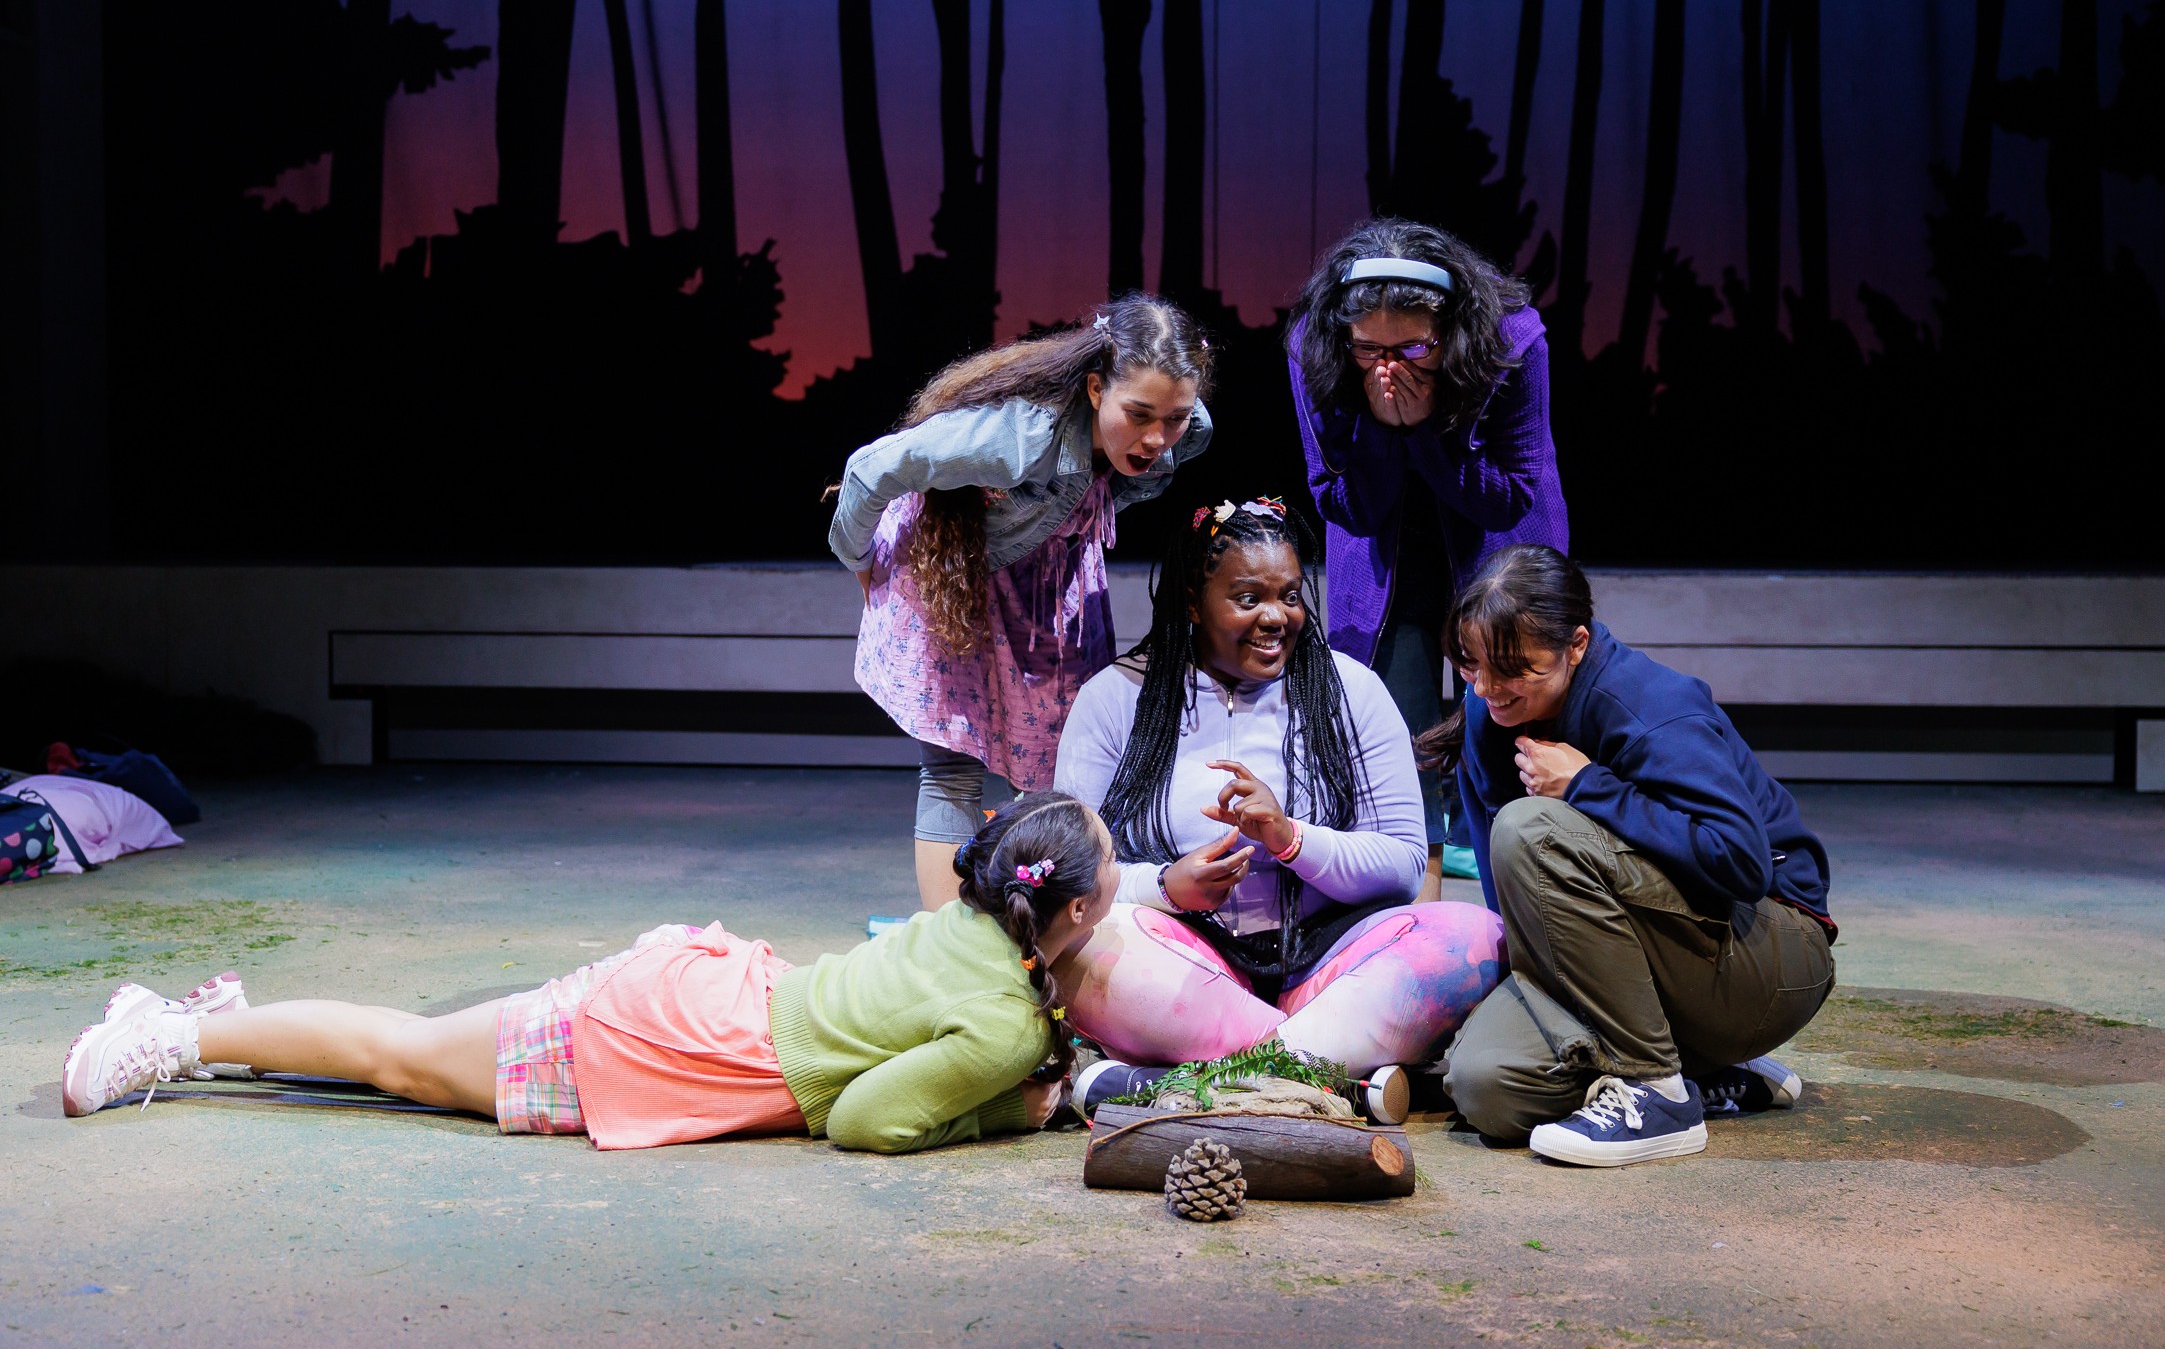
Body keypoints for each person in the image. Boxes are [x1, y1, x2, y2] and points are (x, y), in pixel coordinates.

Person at [61, 793, 1117, 1154]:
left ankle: (240, 1028)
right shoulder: (1010, 1021)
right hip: (678, 1045)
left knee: (424, 1060)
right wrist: (999, 1118)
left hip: (705, 994)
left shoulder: (963, 924)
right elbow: (863, 1123)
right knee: (408, 1062)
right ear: (1070, 914)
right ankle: (165, 1037)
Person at [1052, 498, 1504, 1117]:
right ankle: (1325, 1072)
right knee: (1085, 941)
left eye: (1290, 595)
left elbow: (1403, 866)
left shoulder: (1353, 691)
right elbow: (1073, 875)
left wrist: (1292, 839)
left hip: (1331, 962)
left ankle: (1185, 1089)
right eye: (1247, 598)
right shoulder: (1113, 700)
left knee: (1473, 935)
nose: (1276, 617)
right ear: (1192, 601)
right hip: (1187, 963)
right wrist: (1166, 886)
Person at [1431, 545, 1836, 1168]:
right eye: (1471, 666)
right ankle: (1706, 1076)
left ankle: (1658, 1091)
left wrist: (1589, 786)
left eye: (1514, 668)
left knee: (1530, 828)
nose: (1487, 689)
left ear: (1577, 644)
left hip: (1768, 950)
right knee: (1485, 1085)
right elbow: (1515, 908)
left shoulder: (1646, 704)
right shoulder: (1491, 722)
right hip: (1653, 963)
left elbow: (1741, 862)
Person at [830, 295, 1214, 911]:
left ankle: (1038, 928)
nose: (1156, 438)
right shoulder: (1018, 437)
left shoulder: (1185, 431)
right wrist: (860, 559)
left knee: (1056, 769)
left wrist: (1100, 506)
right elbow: (873, 468)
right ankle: (949, 946)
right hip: (954, 580)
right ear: (1094, 389)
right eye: (1139, 414)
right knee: (953, 767)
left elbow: (1161, 456)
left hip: (1048, 590)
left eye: (1173, 417)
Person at [1287, 219, 1568, 898]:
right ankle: (1417, 917)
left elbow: (1508, 499)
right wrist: (1385, 431)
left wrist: (1431, 429)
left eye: (1412, 347)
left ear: (1448, 329)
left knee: (1506, 723)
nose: (1387, 365)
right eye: (1369, 349)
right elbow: (1343, 502)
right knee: (1399, 732)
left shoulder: (1512, 340)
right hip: (1384, 554)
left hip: (1495, 550)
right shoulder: (1316, 347)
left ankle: (1531, 909)